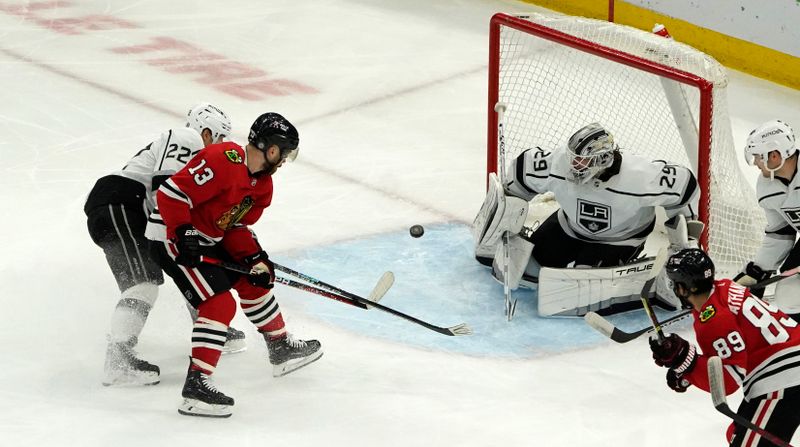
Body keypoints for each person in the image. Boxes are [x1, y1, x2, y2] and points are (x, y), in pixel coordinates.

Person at [145, 112, 322, 418]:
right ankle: (196, 386)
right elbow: (171, 193)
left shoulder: (262, 187)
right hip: (170, 237)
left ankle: (279, 347)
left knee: (254, 280)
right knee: (219, 304)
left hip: (208, 237)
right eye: (284, 153)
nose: (283, 162)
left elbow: (233, 227)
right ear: (271, 148)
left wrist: (254, 258)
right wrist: (181, 231)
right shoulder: (222, 159)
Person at [85, 102, 246, 387]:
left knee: (179, 266)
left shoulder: (196, 158)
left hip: (129, 212)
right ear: (206, 132)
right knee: (143, 283)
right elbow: (165, 192)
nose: (220, 146)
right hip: (120, 205)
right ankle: (119, 359)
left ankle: (205, 324)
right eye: (219, 138)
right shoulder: (188, 139)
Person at [473, 122, 701, 315]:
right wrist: (508, 208)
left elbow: (686, 187)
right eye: (574, 158)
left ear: (603, 159)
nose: (574, 166)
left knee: (576, 292)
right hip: (568, 226)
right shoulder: (559, 163)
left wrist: (685, 244)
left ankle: (643, 280)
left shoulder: (641, 177)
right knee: (527, 273)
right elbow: (523, 171)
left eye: (582, 161)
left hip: (620, 239)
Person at [650, 248, 800, 446]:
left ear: (685, 289)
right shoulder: (723, 288)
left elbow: (728, 381)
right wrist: (688, 372)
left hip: (783, 380)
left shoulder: (713, 320)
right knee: (737, 434)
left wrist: (684, 359)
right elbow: (723, 355)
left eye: (674, 283)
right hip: (789, 366)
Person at [735, 119, 800, 321]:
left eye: (758, 157)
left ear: (775, 155)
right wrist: (759, 270)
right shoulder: (767, 188)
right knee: (789, 291)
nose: (755, 163)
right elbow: (780, 233)